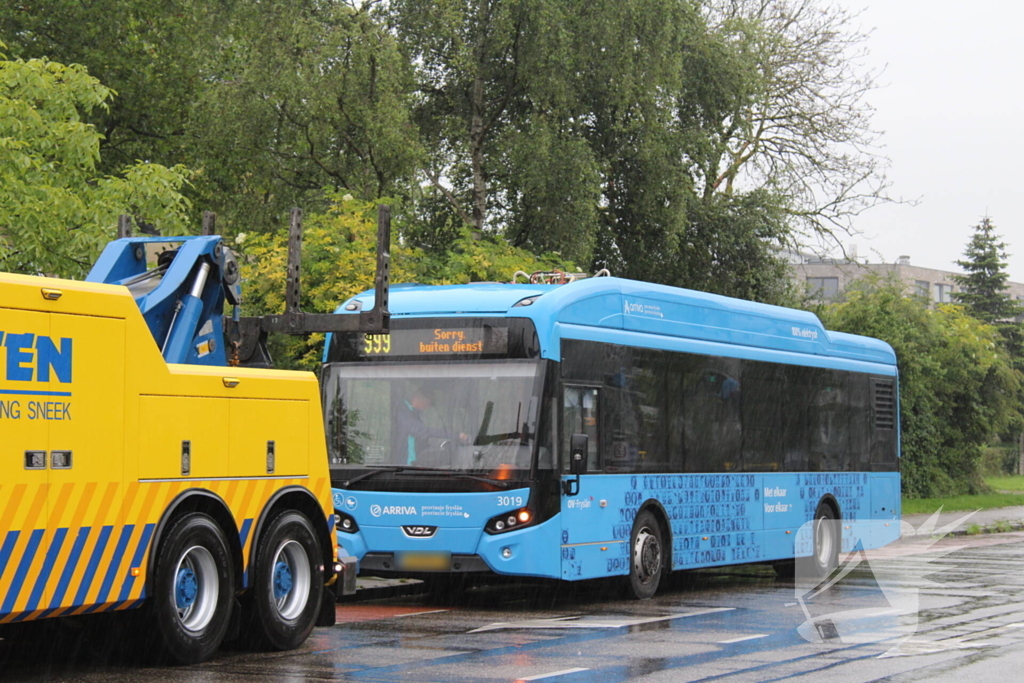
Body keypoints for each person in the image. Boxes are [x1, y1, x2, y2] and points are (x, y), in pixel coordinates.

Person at [393, 386, 468, 465]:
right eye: (427, 403)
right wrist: (454, 435)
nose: (427, 407)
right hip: (406, 467)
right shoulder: (403, 411)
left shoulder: (416, 414)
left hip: (417, 465)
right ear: (416, 398)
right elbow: (421, 432)